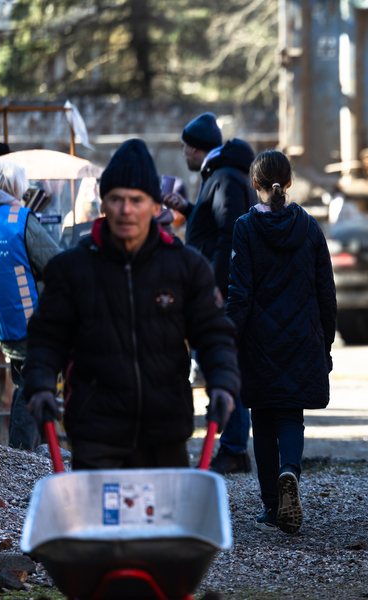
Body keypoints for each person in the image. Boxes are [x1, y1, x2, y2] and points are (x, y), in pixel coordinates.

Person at [23, 139, 240, 470]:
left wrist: (224, 382)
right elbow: (47, 337)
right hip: (95, 432)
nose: (126, 210)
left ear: (155, 207)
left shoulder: (186, 267)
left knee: (166, 522)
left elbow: (213, 333)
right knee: (98, 522)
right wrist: (39, 386)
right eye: (117, 199)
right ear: (103, 204)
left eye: (136, 200)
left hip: (165, 431)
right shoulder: (72, 269)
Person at [227, 150, 336, 534]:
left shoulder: (245, 227)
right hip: (304, 338)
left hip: (259, 340)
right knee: (291, 415)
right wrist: (325, 343)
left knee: (262, 417)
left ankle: (273, 507)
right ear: (288, 184)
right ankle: (290, 471)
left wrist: (226, 340)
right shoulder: (309, 227)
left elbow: (239, 295)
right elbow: (327, 292)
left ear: (254, 185)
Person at [163, 114, 256, 474]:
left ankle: (233, 448)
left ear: (194, 146)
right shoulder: (223, 175)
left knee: (219, 365)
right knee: (216, 363)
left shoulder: (224, 177)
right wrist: (186, 209)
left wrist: (212, 289)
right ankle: (230, 446)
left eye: (185, 145)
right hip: (216, 289)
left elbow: (228, 235)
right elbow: (215, 224)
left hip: (216, 293)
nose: (183, 152)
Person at [0, 160, 61, 450]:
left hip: (1, 324)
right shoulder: (20, 218)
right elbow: (56, 263)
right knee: (31, 385)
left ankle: (36, 450)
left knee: (25, 381)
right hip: (33, 322)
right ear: (16, 188)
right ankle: (21, 454)